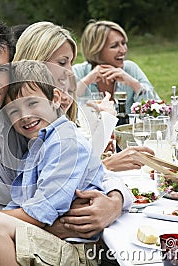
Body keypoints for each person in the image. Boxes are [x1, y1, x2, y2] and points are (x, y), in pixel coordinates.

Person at [0, 14, 133, 266]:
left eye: (1, 71)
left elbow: (94, 168)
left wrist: (115, 202)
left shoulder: (23, 117)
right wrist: (60, 227)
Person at [0, 60, 105, 265]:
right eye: (14, 111)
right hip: (52, 242)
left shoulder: (66, 143)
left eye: (32, 103)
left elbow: (40, 212)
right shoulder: (39, 145)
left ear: (55, 98)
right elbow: (23, 201)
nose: (25, 116)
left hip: (76, 251)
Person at [14, 21, 155, 172]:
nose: (69, 71)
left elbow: (74, 160)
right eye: (62, 62)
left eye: (70, 62)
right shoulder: (28, 111)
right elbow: (53, 178)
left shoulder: (56, 101)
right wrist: (105, 162)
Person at [73, 20, 160, 114]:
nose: (123, 50)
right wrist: (86, 81)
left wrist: (134, 84)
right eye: (114, 46)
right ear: (96, 49)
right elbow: (64, 107)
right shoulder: (79, 71)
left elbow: (158, 109)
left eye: (123, 43)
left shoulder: (131, 69)